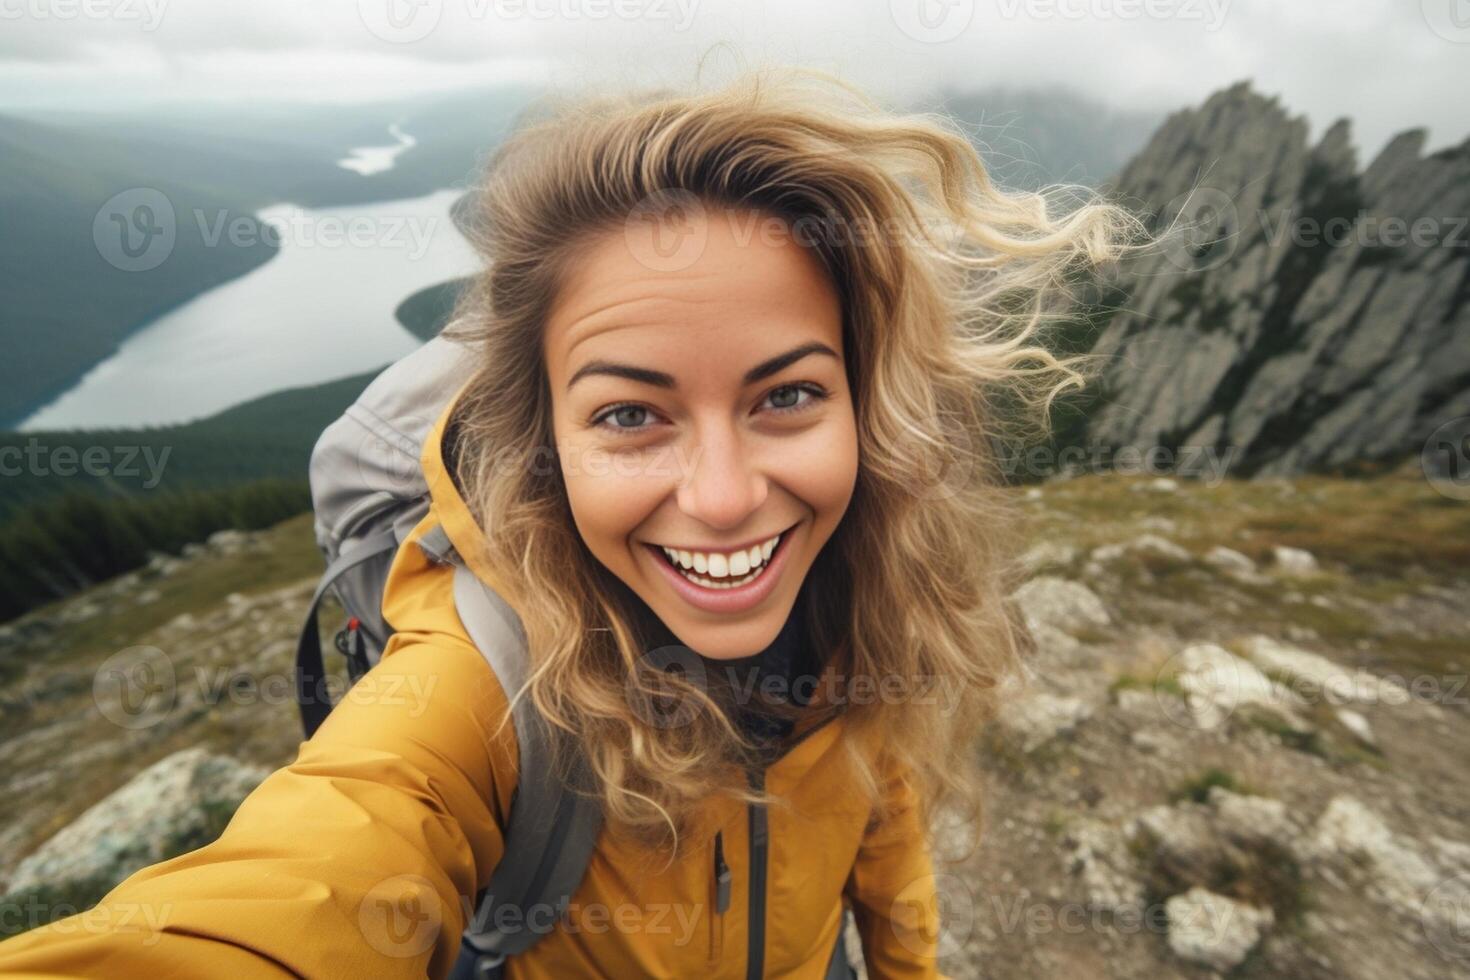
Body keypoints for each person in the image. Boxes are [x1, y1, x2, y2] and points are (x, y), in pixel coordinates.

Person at [0, 64, 1142, 978]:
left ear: (864, 405)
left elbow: (881, 818)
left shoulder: (862, 590)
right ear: (543, 438)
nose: (724, 494)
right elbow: (298, 880)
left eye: (788, 394)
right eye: (632, 412)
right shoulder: (475, 680)